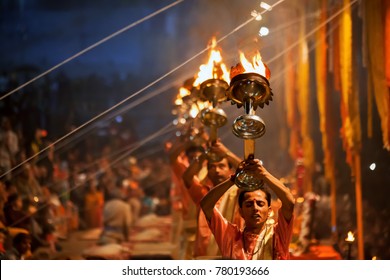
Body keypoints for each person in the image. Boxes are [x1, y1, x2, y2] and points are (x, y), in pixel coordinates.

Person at [200, 157, 295, 260]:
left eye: (260, 203)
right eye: (249, 204)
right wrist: (233, 180)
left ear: (269, 211)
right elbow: (206, 205)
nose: (255, 208)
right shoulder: (231, 237)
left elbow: (289, 202)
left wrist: (264, 174)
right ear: (241, 212)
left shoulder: (278, 236)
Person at [182, 141, 243, 259]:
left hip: (231, 256)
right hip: (204, 256)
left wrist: (227, 153)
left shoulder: (239, 193)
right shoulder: (203, 193)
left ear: (230, 170)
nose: (217, 170)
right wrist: (205, 154)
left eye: (222, 166)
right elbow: (187, 177)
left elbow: (250, 173)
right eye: (212, 167)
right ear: (207, 171)